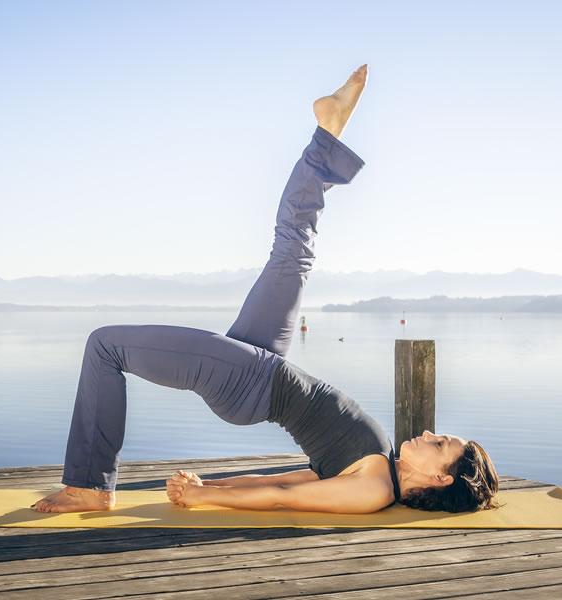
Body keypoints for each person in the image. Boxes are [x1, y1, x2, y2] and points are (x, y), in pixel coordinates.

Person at [30, 64, 500, 515]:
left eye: (439, 444)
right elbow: (288, 482)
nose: (428, 433)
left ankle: (89, 486)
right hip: (265, 366)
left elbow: (283, 498)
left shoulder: (372, 491)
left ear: (440, 478)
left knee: (105, 345)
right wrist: (208, 487)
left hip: (250, 384)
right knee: (293, 252)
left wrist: (206, 499)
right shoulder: (381, 471)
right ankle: (327, 135)